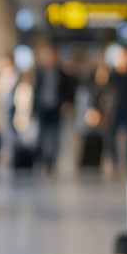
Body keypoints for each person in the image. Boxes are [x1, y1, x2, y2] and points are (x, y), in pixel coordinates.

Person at [31, 44, 76, 175]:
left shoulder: (62, 73)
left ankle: (51, 164)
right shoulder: (40, 72)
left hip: (56, 109)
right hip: (43, 109)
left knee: (55, 137)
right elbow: (36, 91)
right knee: (41, 137)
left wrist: (68, 104)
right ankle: (41, 162)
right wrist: (33, 110)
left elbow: (68, 90)